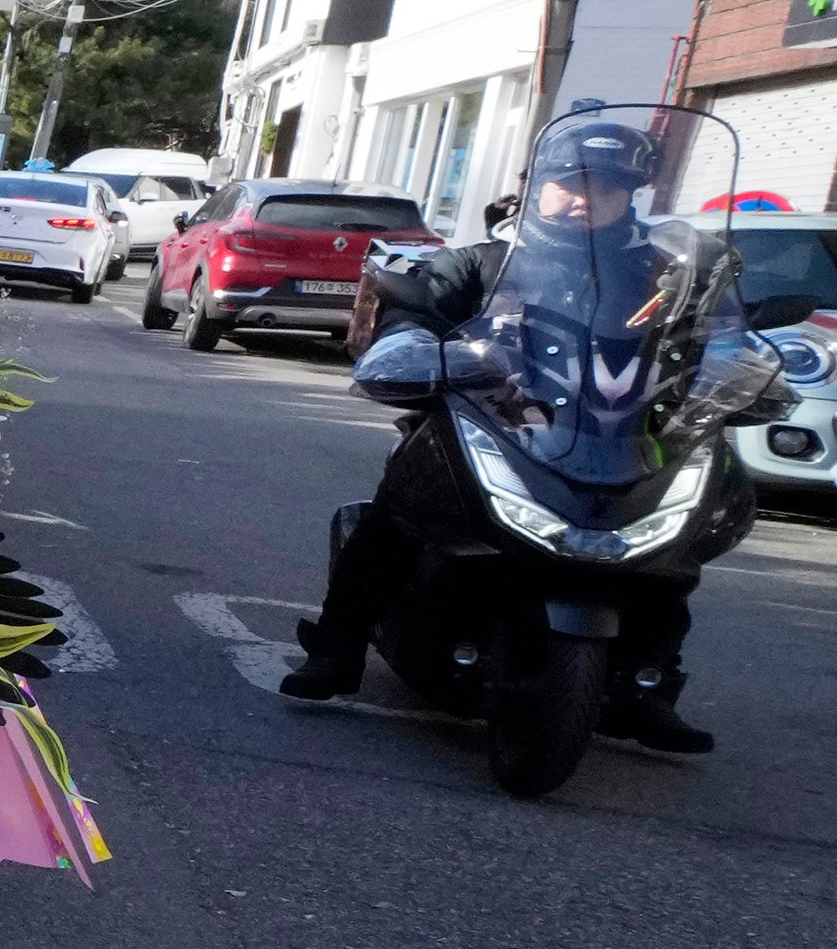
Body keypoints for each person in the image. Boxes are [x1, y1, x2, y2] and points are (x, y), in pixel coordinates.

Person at [278, 116, 733, 749]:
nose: (584, 198)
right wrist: (408, 345)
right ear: (536, 184)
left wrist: (736, 370)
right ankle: (337, 648)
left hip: (618, 435)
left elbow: (716, 336)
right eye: (570, 182)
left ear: (631, 195)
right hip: (490, 421)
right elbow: (413, 310)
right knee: (397, 515)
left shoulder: (664, 272)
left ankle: (649, 684)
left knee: (665, 555)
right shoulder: (481, 263)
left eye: (605, 187)